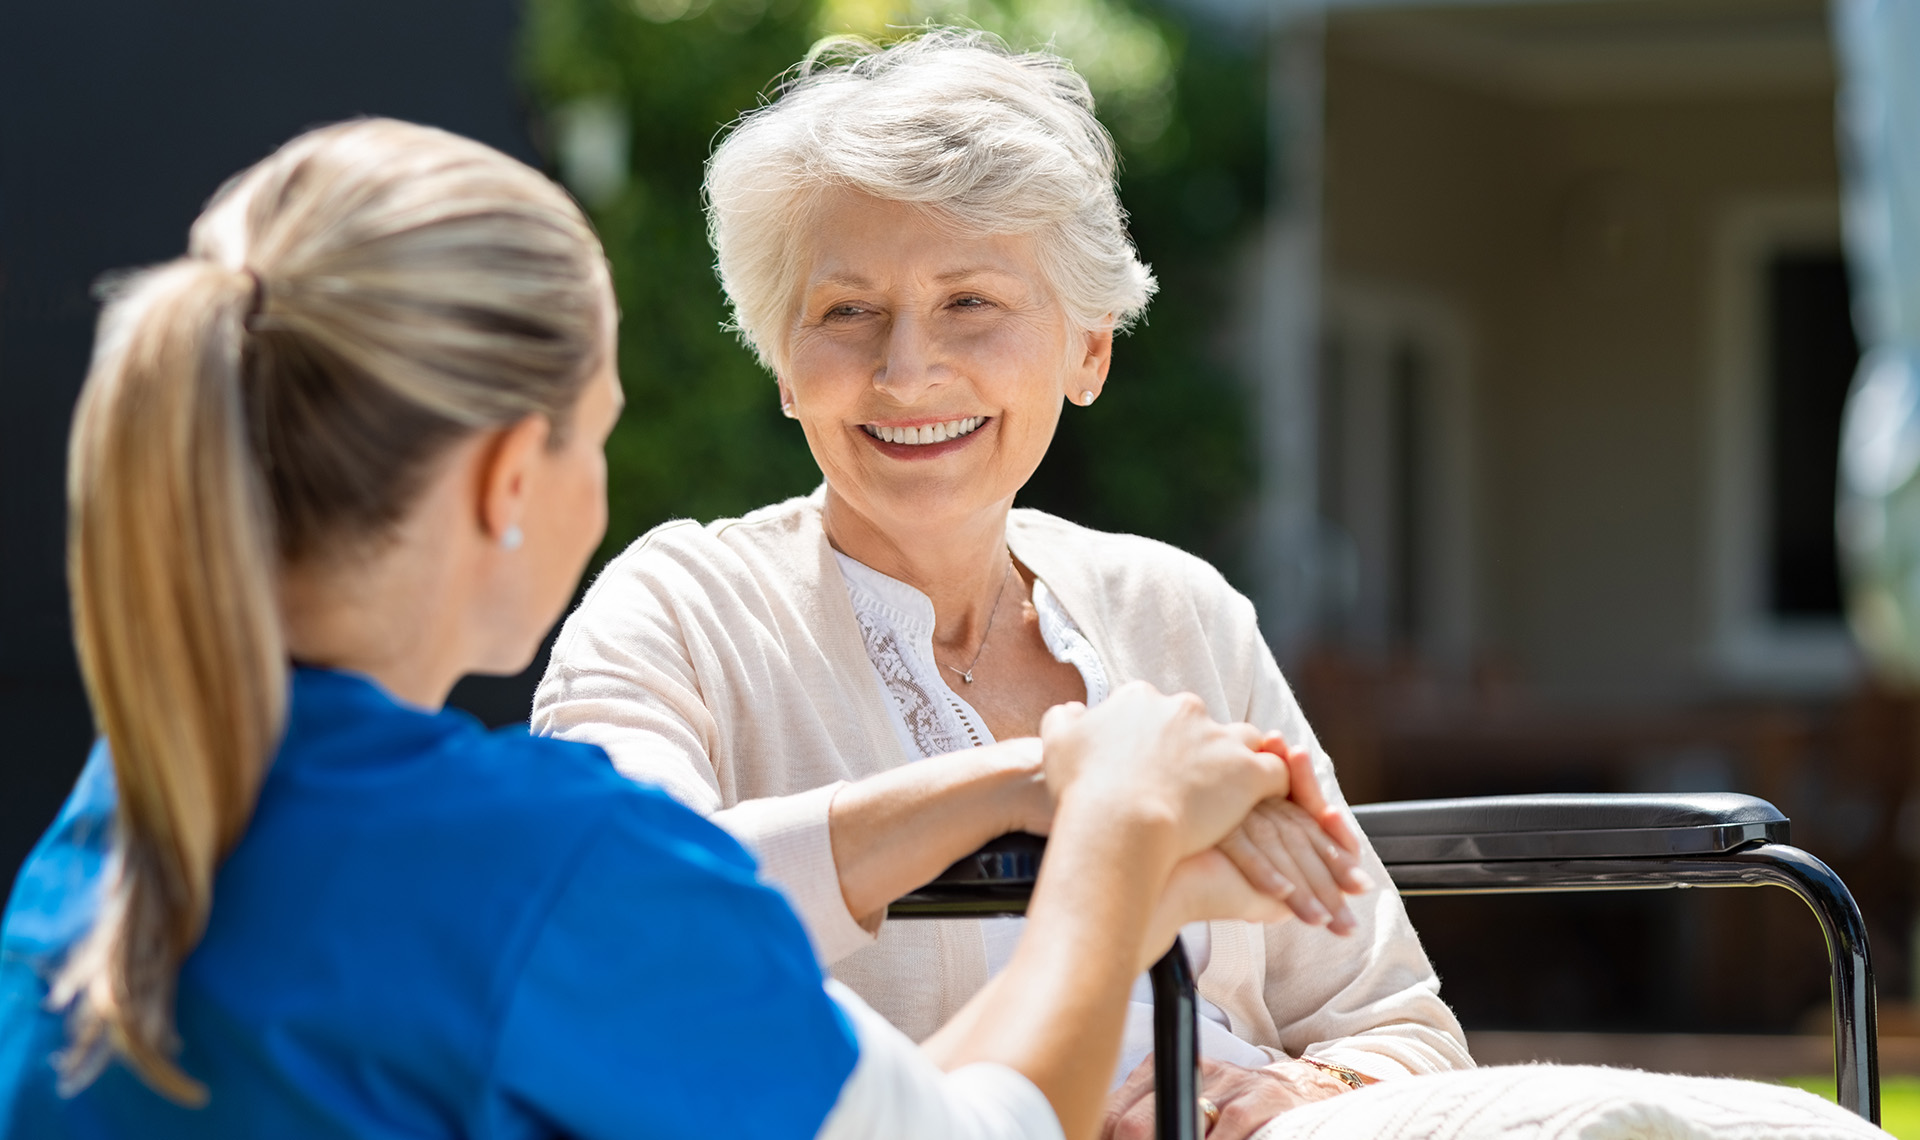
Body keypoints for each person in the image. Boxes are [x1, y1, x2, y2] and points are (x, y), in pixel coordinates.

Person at [0, 117, 1333, 1140]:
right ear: (509, 481)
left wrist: (1023, 778)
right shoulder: (542, 865)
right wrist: (1114, 832)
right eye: (602, 429)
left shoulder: (127, 816)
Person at [530, 30, 1468, 1137]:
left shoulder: (1180, 610)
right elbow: (612, 916)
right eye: (846, 311)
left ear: (1088, 352)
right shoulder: (680, 607)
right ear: (785, 365)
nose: (906, 368)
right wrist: (1049, 780)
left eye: (970, 301)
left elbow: (1395, 1021)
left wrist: (1300, 1092)